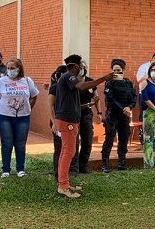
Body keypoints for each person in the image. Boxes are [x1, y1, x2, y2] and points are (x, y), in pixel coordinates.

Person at [55, 55, 113, 198]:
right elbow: (83, 86)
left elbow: (73, 102)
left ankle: (64, 183)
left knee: (66, 152)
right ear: (75, 66)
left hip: (69, 120)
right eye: (81, 65)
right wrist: (104, 78)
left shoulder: (69, 80)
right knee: (68, 152)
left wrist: (89, 105)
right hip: (67, 121)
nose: (83, 68)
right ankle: (63, 186)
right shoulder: (68, 77)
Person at [0, 58, 39, 178]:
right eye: (8, 68)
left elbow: (34, 96)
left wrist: (29, 108)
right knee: (7, 142)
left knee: (20, 143)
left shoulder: (27, 81)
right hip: (4, 116)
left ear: (19, 68)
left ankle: (20, 169)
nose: (10, 70)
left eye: (12, 68)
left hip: (23, 117)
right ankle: (5, 169)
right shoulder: (1, 81)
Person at [101, 59, 137, 173]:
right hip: (112, 114)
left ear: (123, 70)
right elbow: (110, 99)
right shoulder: (109, 83)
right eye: (114, 70)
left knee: (124, 137)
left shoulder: (128, 83)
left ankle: (122, 162)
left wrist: (129, 107)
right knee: (109, 138)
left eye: (119, 70)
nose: (116, 72)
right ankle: (105, 163)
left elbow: (133, 97)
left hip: (124, 115)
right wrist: (123, 108)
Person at [73, 61, 101, 174]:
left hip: (87, 114)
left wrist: (99, 112)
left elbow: (96, 98)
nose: (82, 69)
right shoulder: (72, 82)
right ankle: (73, 166)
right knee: (74, 141)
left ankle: (83, 166)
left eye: (84, 67)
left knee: (87, 140)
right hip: (74, 115)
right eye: (80, 67)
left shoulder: (90, 81)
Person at [48, 65, 68, 181]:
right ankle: (58, 174)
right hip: (58, 122)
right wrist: (54, 123)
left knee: (67, 149)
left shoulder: (69, 88)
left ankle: (65, 173)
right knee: (59, 148)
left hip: (68, 122)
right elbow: (50, 106)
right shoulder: (55, 88)